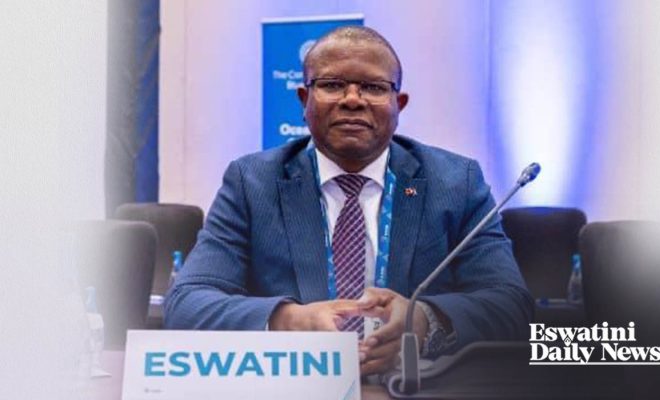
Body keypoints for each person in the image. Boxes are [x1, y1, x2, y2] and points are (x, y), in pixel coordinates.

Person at [164, 26, 533, 376]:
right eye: (332, 85)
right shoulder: (253, 183)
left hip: (415, 387)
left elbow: (511, 305)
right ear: (304, 100)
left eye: (373, 87)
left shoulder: (455, 182)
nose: (353, 100)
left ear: (399, 104)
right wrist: (290, 321)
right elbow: (187, 303)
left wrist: (424, 322)